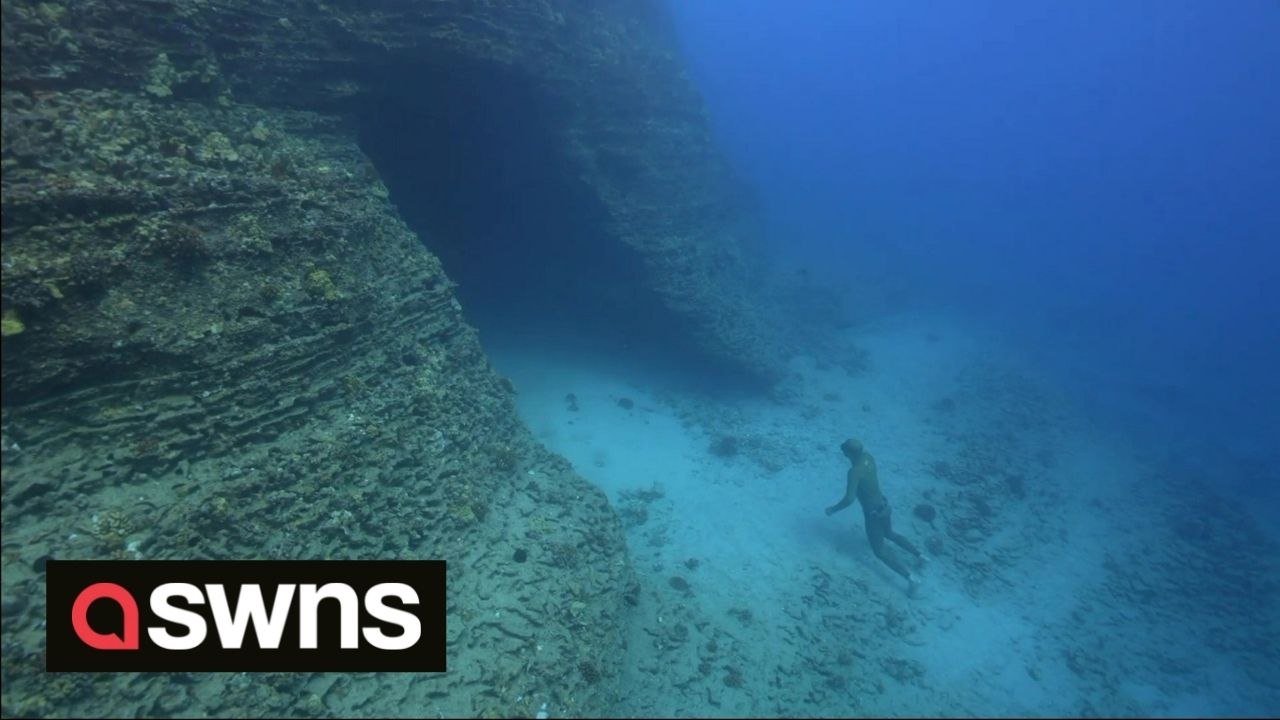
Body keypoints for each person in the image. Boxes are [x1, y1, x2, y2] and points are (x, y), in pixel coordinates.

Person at [825, 438, 925, 594]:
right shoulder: (868, 458)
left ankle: (911, 579)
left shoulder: (854, 472)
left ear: (848, 453)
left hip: (873, 514)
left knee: (879, 552)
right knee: (890, 533)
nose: (842, 448)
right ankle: (921, 557)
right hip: (884, 505)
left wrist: (833, 509)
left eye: (844, 448)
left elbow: (849, 499)